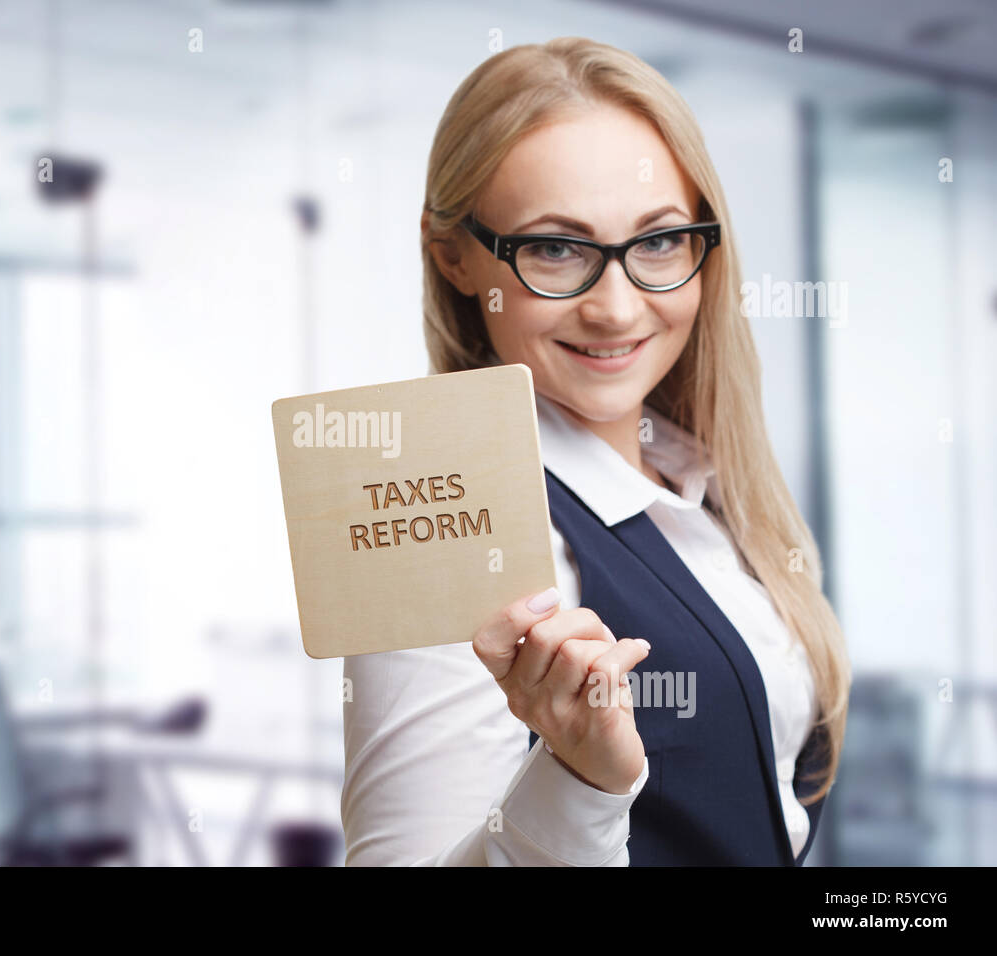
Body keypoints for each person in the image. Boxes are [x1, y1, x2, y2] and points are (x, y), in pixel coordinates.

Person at [341, 37, 851, 866]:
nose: (616, 310)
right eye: (555, 248)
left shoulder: (709, 491)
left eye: (657, 242)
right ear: (455, 255)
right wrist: (580, 781)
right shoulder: (443, 525)